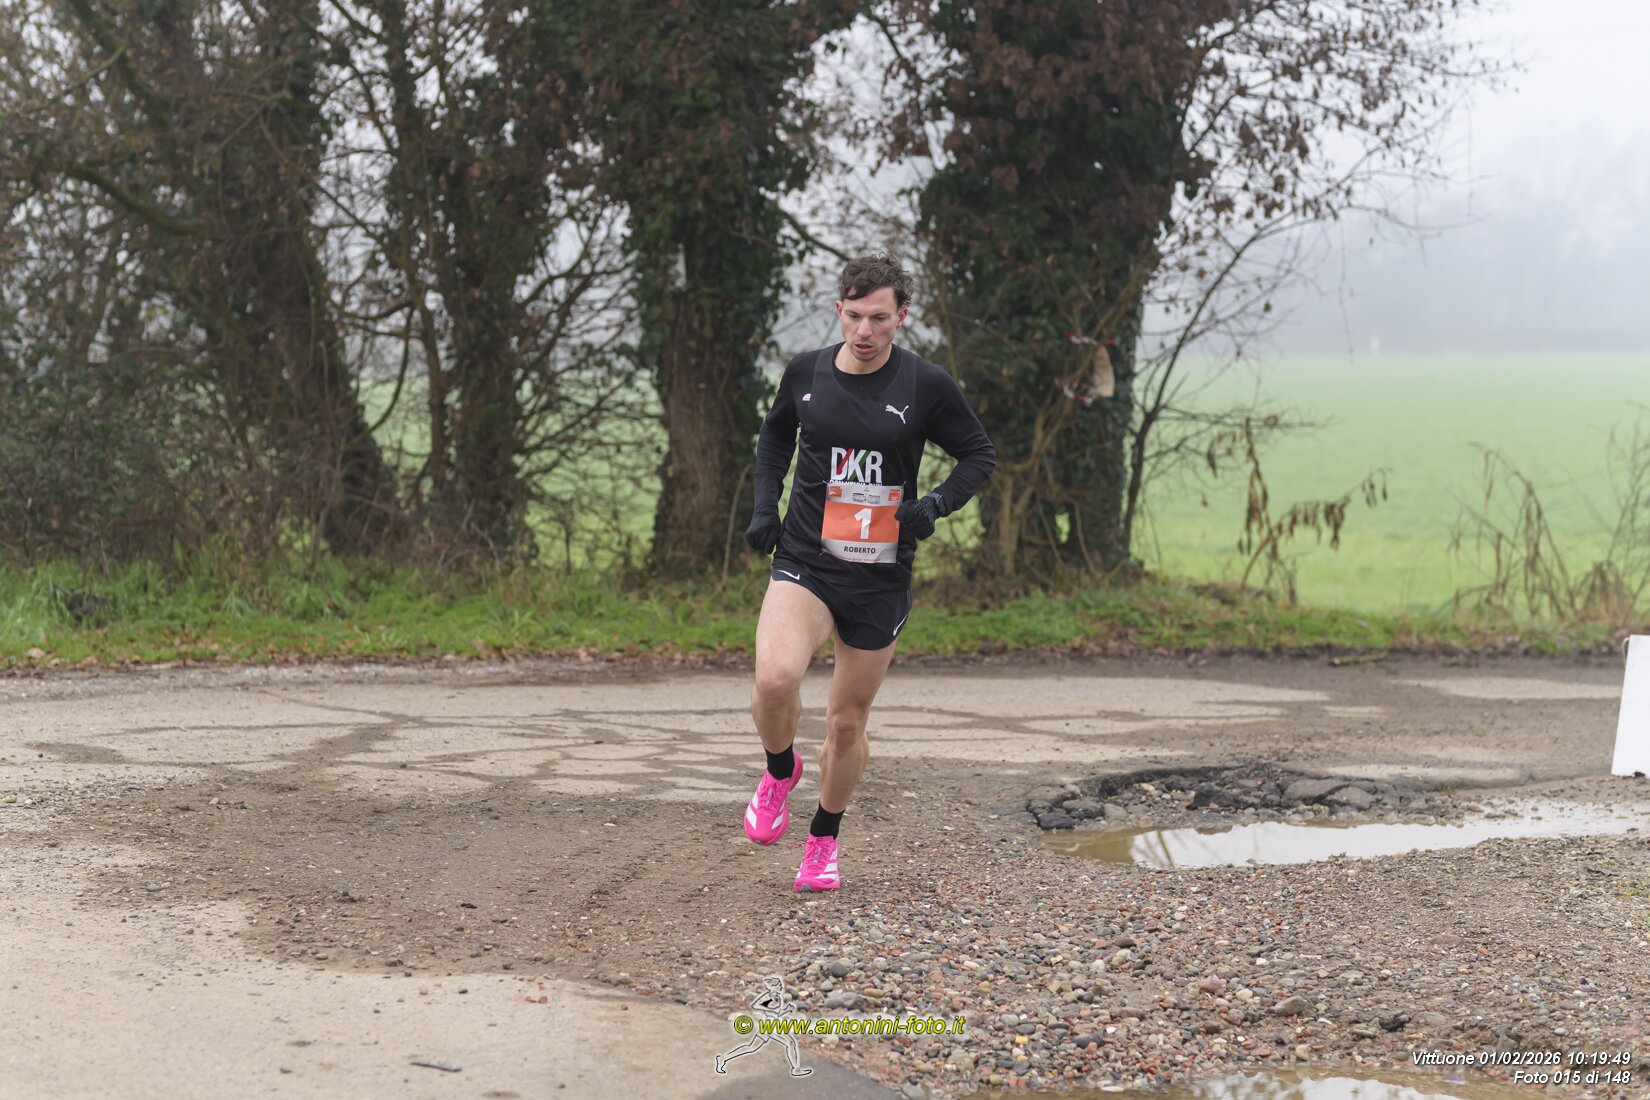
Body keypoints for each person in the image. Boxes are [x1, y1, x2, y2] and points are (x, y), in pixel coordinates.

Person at [741, 252, 995, 892]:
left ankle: (823, 839)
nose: (864, 330)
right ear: (839, 309)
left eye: (879, 318)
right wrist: (765, 508)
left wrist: (934, 504)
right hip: (806, 558)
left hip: (880, 574)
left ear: (900, 317)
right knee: (774, 679)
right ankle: (780, 770)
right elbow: (775, 439)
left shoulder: (924, 384)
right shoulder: (806, 372)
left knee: (846, 723)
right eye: (854, 315)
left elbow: (977, 454)